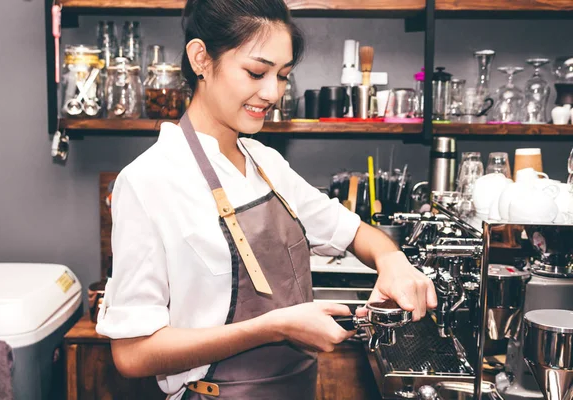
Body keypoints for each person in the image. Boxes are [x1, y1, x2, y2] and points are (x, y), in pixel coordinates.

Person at [95, 0, 437, 398]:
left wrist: (393, 261)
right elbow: (133, 354)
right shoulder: (147, 181)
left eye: (283, 76)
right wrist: (274, 326)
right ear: (201, 58)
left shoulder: (267, 164)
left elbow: (357, 233)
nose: (272, 93)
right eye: (256, 72)